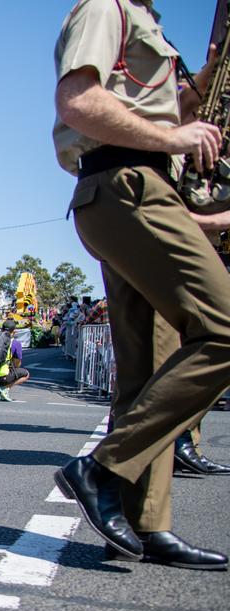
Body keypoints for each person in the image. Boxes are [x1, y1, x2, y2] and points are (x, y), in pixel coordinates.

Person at [52, 0, 230, 569]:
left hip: (139, 186)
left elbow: (159, 111)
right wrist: (176, 141)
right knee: (224, 329)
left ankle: (147, 522)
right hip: (128, 185)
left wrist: (202, 80)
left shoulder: (143, 18)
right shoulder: (108, 7)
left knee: (149, 368)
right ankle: (102, 467)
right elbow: (79, 102)